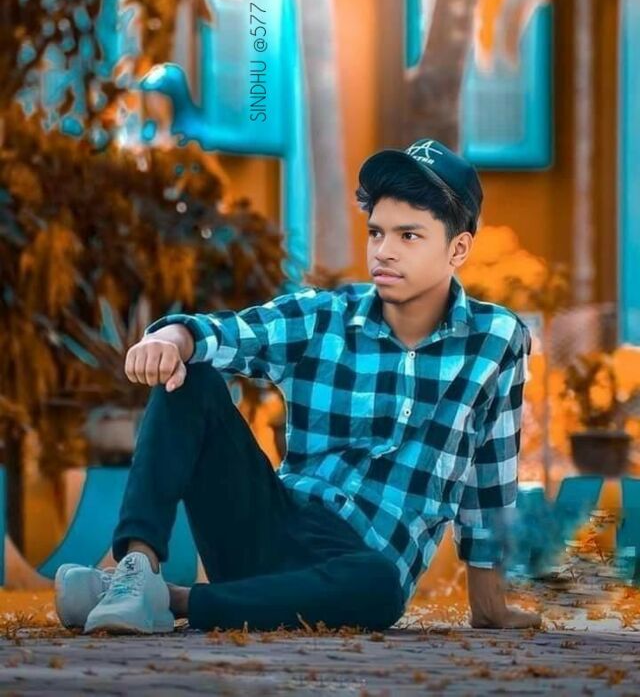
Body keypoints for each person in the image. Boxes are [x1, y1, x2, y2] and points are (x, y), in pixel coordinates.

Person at [54, 138, 542, 635]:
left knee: (381, 587)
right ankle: (136, 573)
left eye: (408, 236)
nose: (383, 252)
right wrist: (171, 339)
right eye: (376, 233)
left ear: (458, 248)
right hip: (273, 522)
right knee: (190, 375)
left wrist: (489, 607)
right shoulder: (325, 316)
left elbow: (490, 478)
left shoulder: (495, 340)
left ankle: (173, 600)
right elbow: (227, 333)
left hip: (356, 569)